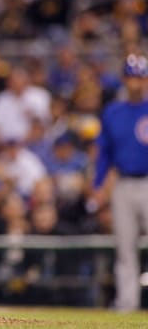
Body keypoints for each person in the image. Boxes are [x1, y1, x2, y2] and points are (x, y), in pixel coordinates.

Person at [90, 53, 148, 312]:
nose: (136, 83)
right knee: (125, 249)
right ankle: (127, 304)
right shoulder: (113, 111)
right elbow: (105, 154)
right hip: (123, 184)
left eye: (140, 78)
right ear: (125, 79)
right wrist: (99, 184)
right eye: (132, 77)